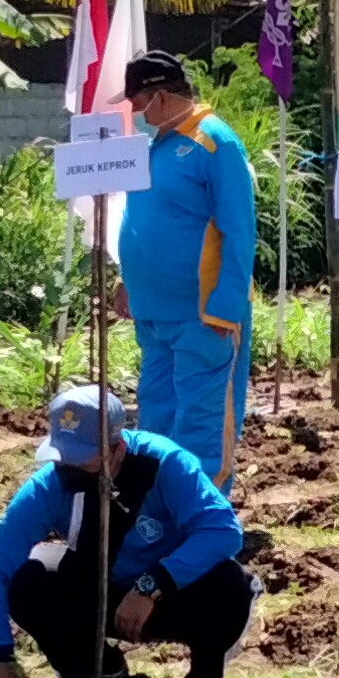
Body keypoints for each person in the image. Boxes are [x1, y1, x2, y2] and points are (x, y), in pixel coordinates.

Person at [0, 383, 255, 678]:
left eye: (82, 460)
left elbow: (223, 531)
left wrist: (152, 585)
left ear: (116, 449)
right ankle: (99, 675)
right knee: (29, 579)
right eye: (62, 458)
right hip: (99, 593)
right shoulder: (50, 486)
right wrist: (2, 662)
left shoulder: (164, 463)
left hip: (170, 597)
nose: (68, 468)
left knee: (232, 584)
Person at [115, 49, 260, 480]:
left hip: (202, 312)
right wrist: (129, 283)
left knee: (202, 419)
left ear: (161, 96)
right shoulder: (158, 146)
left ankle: (205, 517)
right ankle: (160, 509)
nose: (136, 113)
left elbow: (239, 229)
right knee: (157, 417)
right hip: (154, 312)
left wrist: (227, 304)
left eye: (139, 102)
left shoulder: (214, 142)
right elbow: (142, 220)